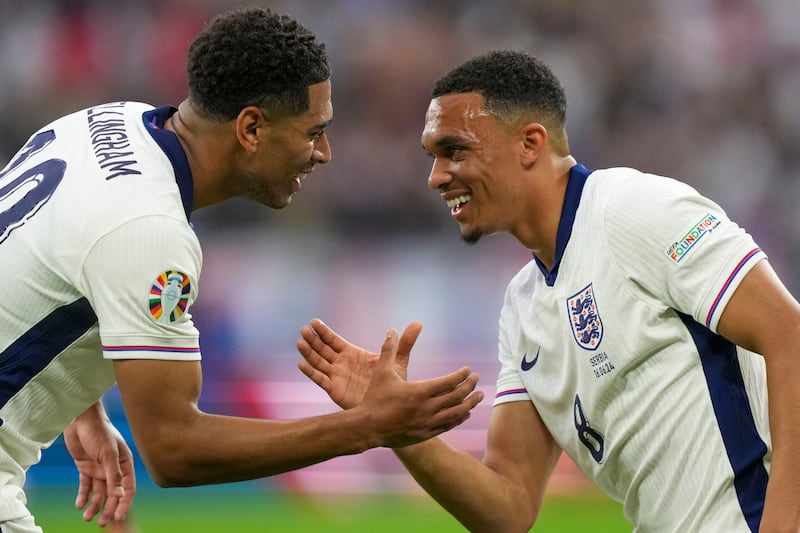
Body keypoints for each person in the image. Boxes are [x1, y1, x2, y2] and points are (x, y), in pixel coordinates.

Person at [0, 7, 483, 532]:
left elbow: (45, 258)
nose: (324, 153)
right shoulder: (150, 228)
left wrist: (84, 405)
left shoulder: (107, 120)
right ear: (251, 127)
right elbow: (174, 449)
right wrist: (369, 426)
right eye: (313, 131)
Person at [297, 50, 800, 532]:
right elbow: (508, 508)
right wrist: (395, 426)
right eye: (432, 156)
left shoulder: (633, 209)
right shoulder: (522, 308)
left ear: (530, 143)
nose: (435, 177)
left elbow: (790, 335)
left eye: (455, 150)